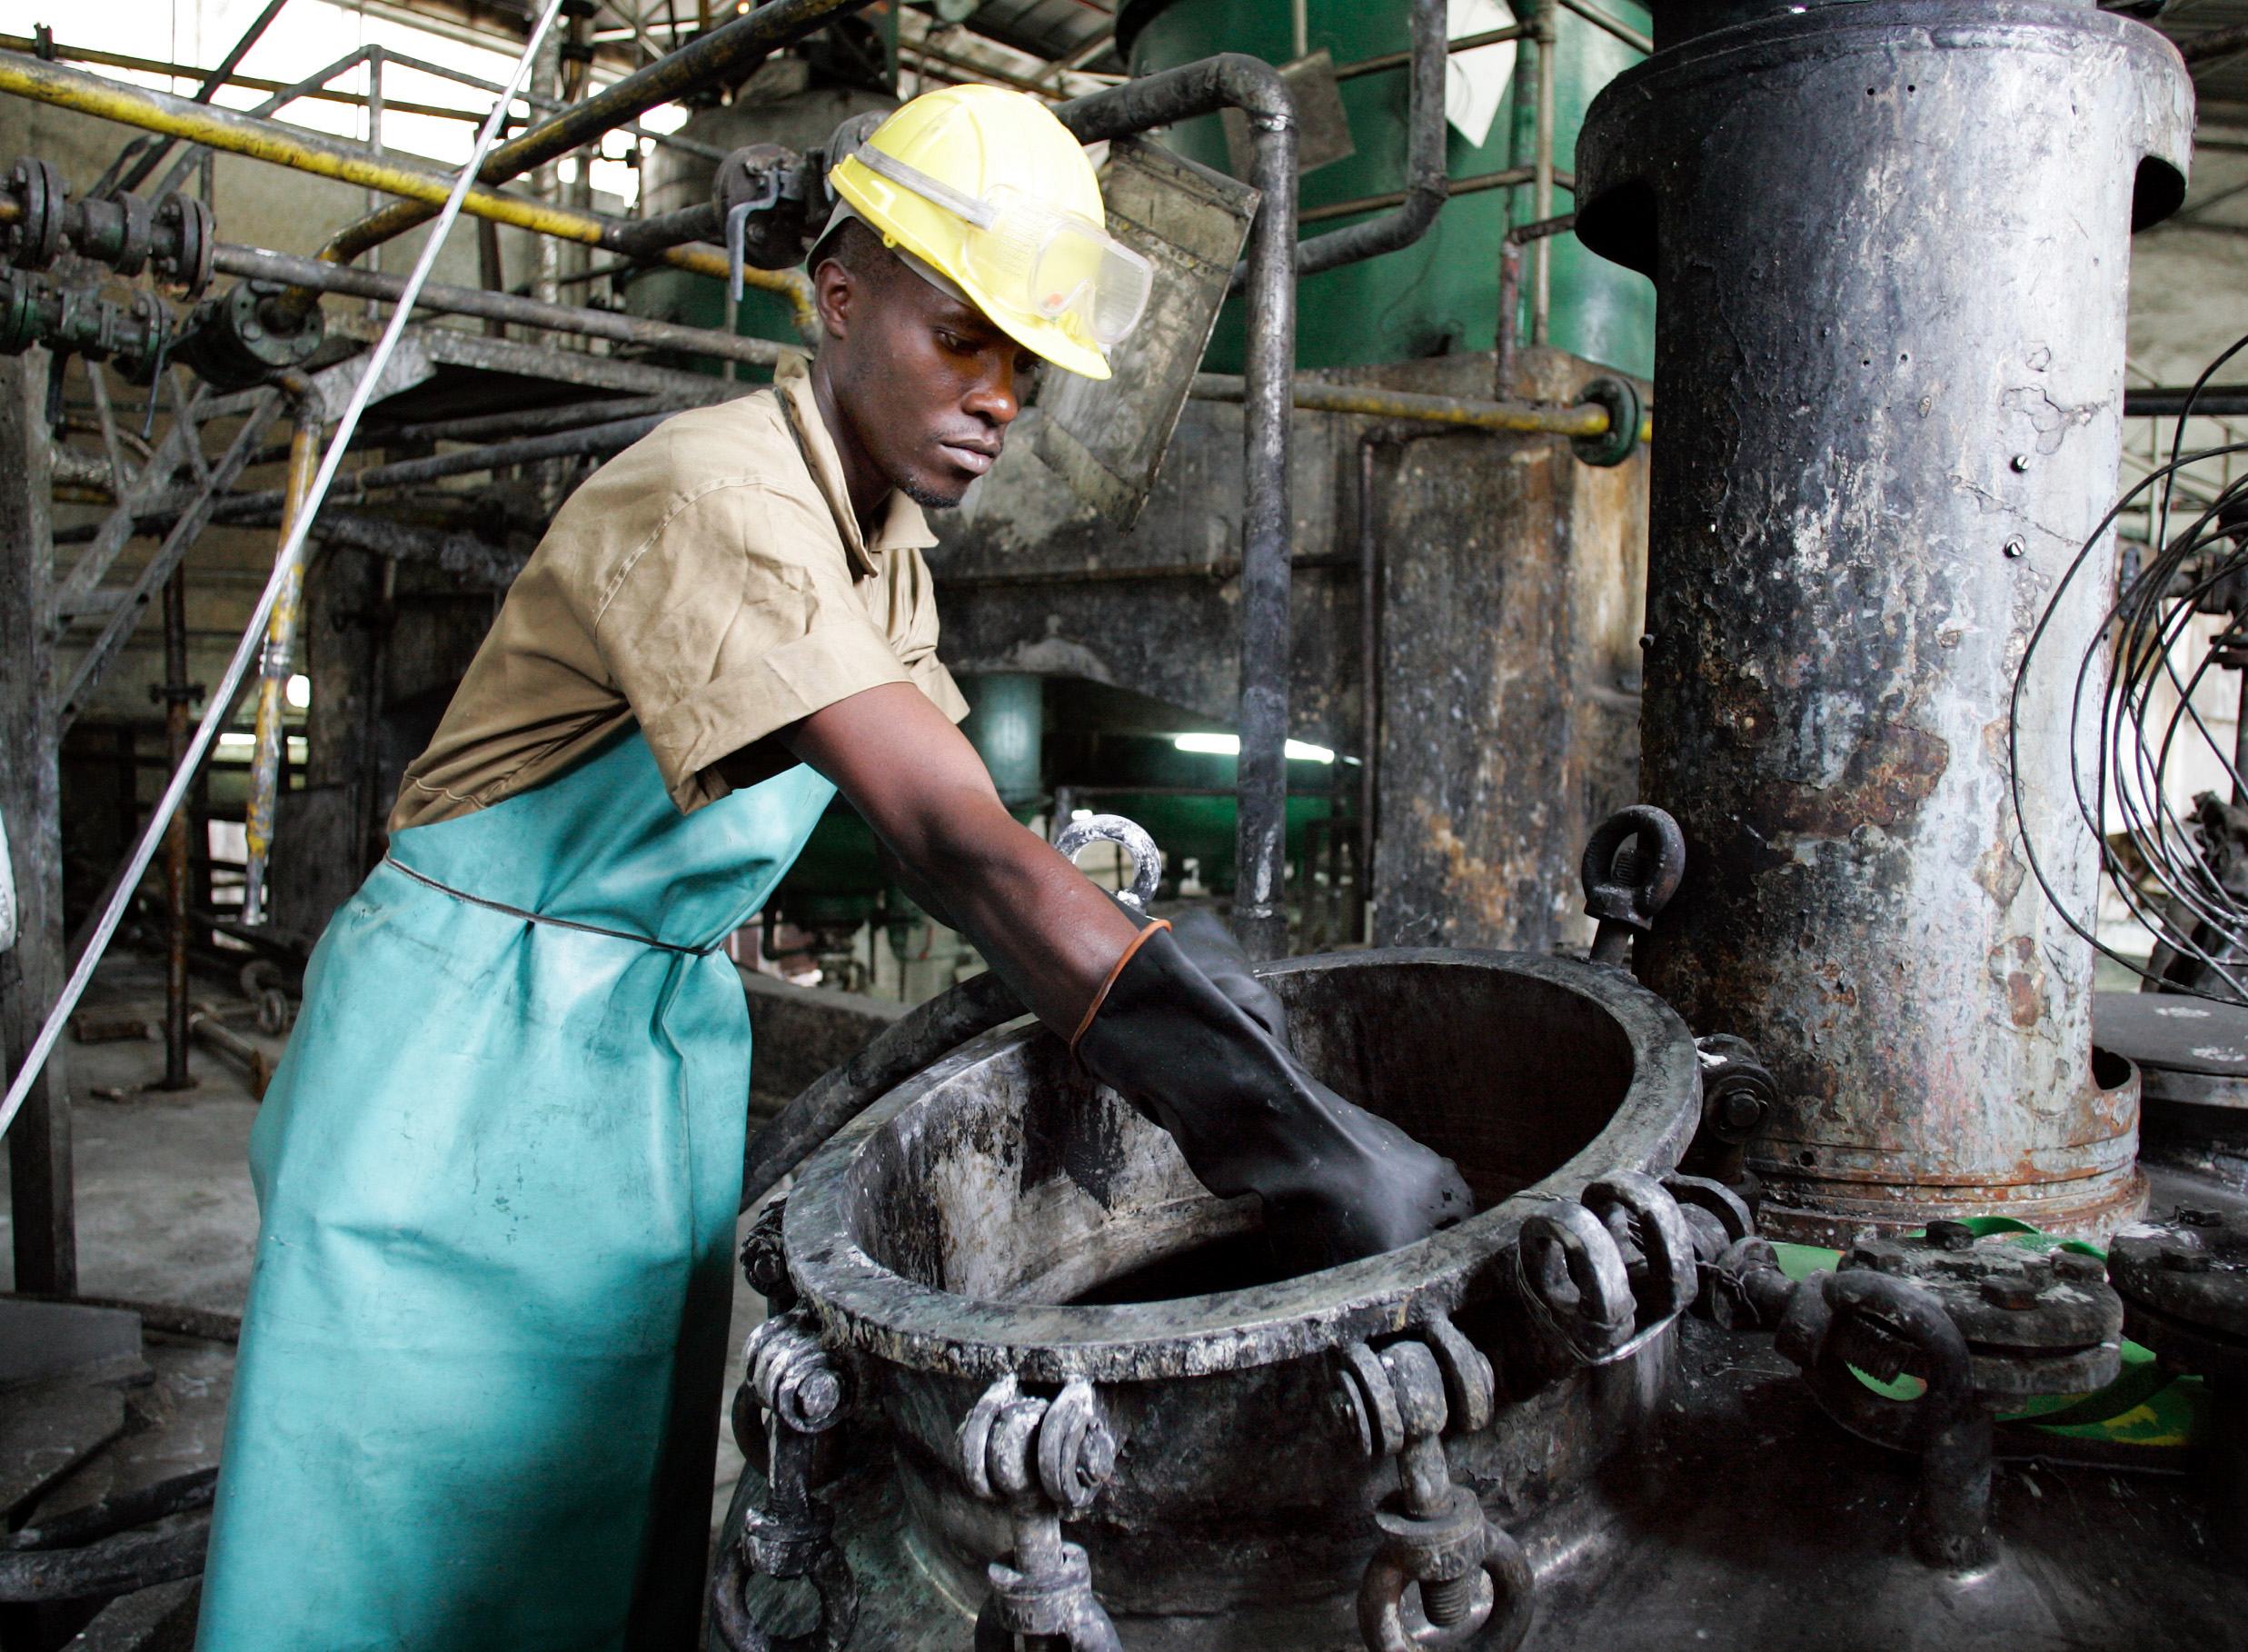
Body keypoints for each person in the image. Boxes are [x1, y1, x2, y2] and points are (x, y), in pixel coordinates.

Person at [194, 85, 1467, 1650]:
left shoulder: (882, 554)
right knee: (389, 1532)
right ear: (840, 294)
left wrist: (1194, 993)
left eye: (1024, 363)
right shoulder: (716, 490)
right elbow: (947, 843)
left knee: (577, 1527)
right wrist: (1286, 1132)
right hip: (464, 1047)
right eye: (961, 338)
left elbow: (983, 831)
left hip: (635, 1053)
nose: (996, 396)